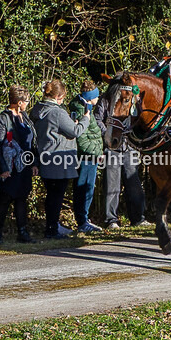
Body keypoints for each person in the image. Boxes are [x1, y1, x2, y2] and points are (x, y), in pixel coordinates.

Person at [31, 80, 90, 239]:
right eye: (63, 97)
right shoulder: (57, 112)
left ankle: (51, 227)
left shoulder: (37, 110)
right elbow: (75, 131)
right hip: (59, 159)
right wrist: (85, 119)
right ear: (57, 96)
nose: (63, 100)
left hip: (45, 156)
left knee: (51, 195)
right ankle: (52, 230)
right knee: (56, 196)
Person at [93, 86, 149, 230]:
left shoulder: (133, 100)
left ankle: (138, 218)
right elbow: (97, 119)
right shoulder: (105, 100)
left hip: (129, 146)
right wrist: (108, 134)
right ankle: (111, 219)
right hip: (112, 147)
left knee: (134, 183)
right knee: (112, 185)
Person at [0, 86, 36, 245]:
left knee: (22, 198)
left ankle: (22, 232)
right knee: (4, 200)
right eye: (26, 101)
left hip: (24, 164)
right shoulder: (2, 119)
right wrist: (2, 168)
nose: (28, 103)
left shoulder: (25, 117)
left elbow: (32, 142)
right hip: (9, 166)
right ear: (19, 102)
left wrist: (34, 163)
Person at [68, 80, 104, 233]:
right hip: (85, 156)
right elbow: (82, 139)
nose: (98, 98)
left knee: (88, 188)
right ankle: (82, 221)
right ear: (91, 97)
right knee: (83, 188)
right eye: (96, 95)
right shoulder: (80, 109)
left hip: (92, 155)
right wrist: (96, 153)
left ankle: (85, 218)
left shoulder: (87, 107)